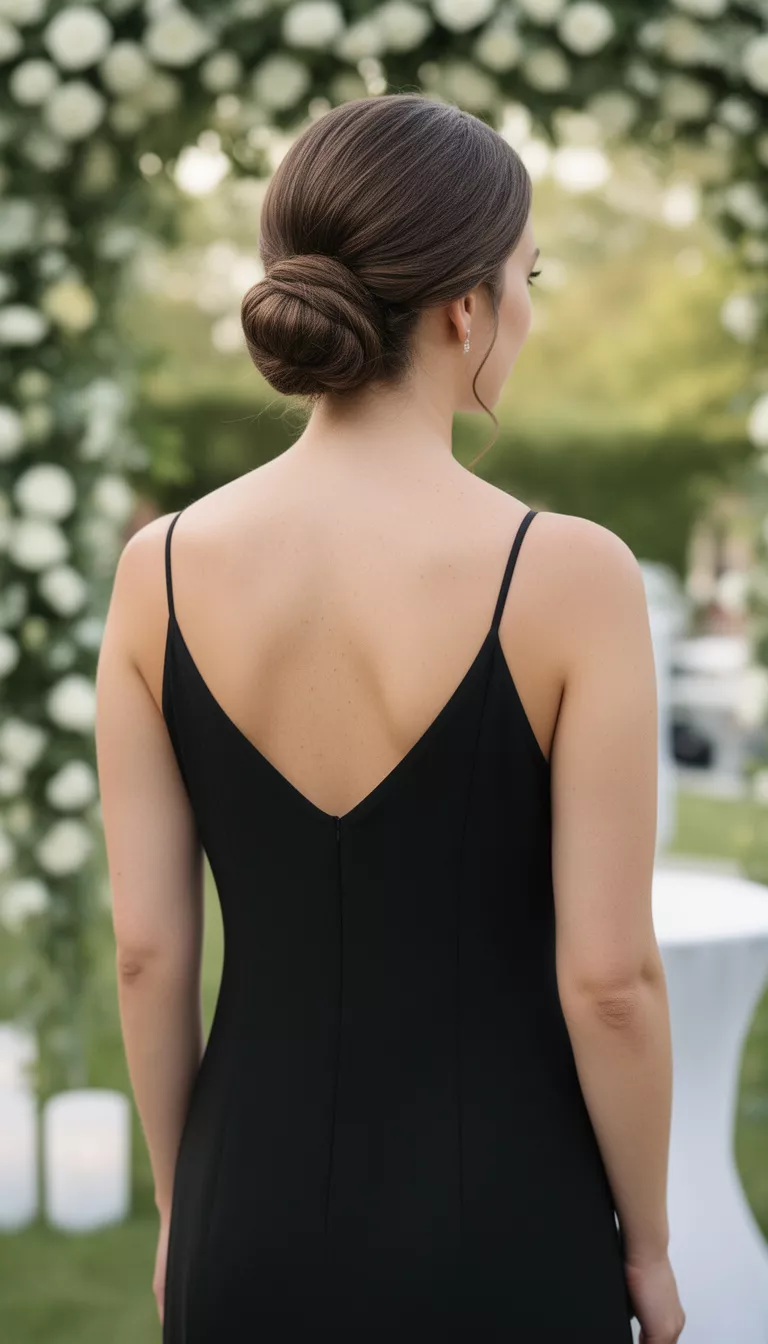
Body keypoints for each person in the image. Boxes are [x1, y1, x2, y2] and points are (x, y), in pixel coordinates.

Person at [95, 92, 685, 1342]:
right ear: (467, 305)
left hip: (241, 1219)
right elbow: (610, 982)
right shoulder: (573, 575)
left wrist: (185, 1207)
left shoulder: (159, 571)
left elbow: (146, 951)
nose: (527, 310)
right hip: (512, 1221)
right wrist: (649, 1246)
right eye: (528, 277)